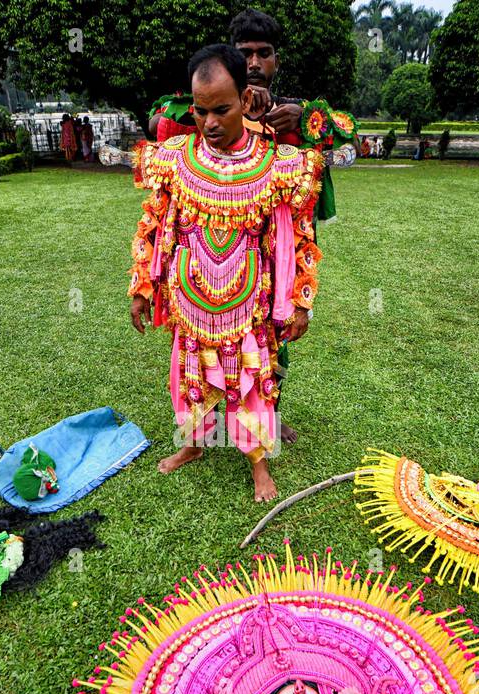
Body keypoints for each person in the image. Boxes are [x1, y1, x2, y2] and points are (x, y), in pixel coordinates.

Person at [128, 44, 323, 503]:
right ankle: (194, 445)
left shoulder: (278, 166)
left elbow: (300, 239)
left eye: (222, 109)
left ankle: (258, 465)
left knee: (249, 382)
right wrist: (141, 286)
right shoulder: (173, 159)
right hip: (188, 301)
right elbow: (152, 224)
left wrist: (300, 301)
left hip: (247, 304)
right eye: (200, 111)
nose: (210, 122)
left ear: (245, 99)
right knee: (188, 376)